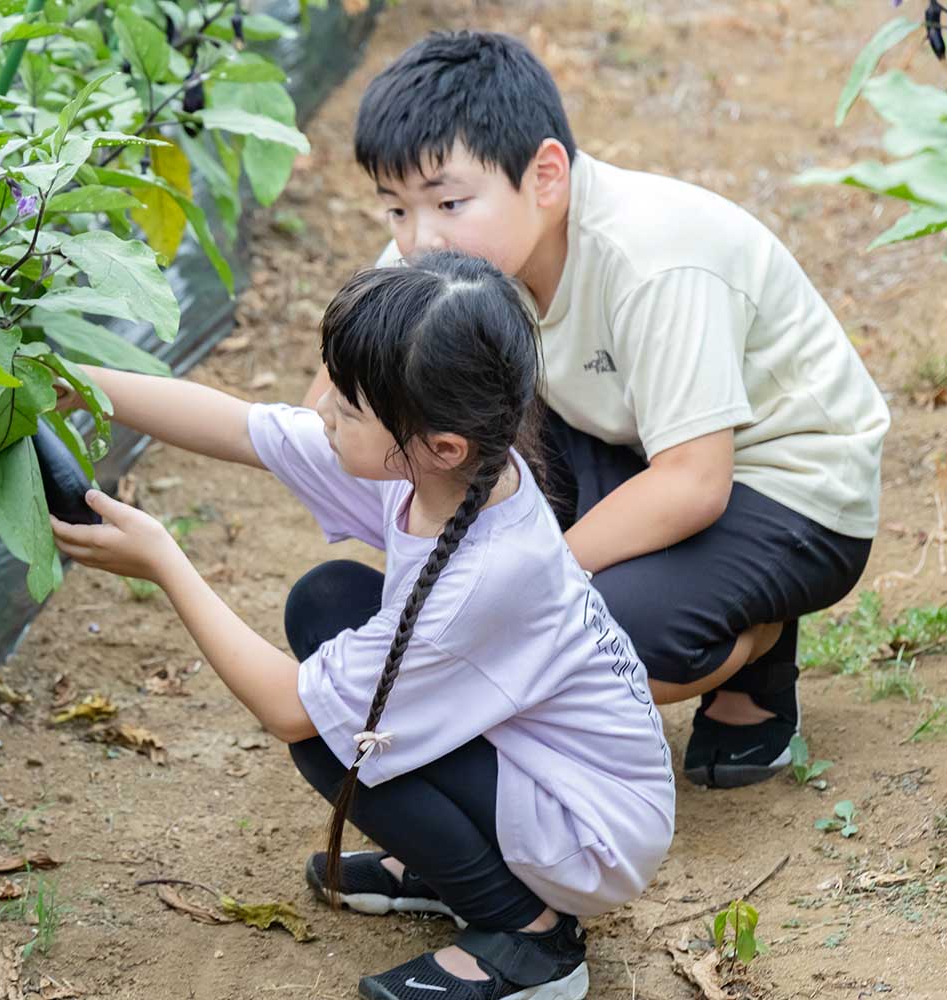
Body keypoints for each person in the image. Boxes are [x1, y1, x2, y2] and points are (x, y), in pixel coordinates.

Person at [51, 252, 674, 1000]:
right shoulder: (456, 466)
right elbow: (247, 429)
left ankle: (529, 938)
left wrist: (165, 561)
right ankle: (454, 867)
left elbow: (287, 709)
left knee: (330, 741)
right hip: (553, 766)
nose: (322, 414)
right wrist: (71, 385)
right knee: (327, 600)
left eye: (346, 410)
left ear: (440, 444)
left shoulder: (485, 575)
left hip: (592, 832)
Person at [302, 30, 889, 788]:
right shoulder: (453, 257)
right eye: (395, 210)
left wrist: (525, 577)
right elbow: (339, 399)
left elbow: (694, 482)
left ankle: (759, 647)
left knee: (612, 635)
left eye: (447, 202)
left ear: (545, 176)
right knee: (462, 433)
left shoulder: (654, 257)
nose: (419, 240)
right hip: (635, 443)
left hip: (789, 483)